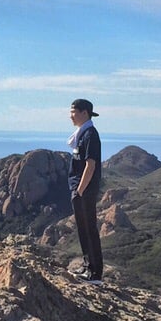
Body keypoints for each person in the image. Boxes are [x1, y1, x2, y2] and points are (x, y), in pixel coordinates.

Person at [67, 98, 103, 283]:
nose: (70, 115)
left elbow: (91, 165)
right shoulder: (81, 134)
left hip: (85, 190)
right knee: (83, 229)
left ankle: (95, 274)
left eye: (73, 112)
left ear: (84, 113)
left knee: (89, 229)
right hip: (79, 189)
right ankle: (88, 266)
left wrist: (80, 190)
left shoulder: (90, 134)